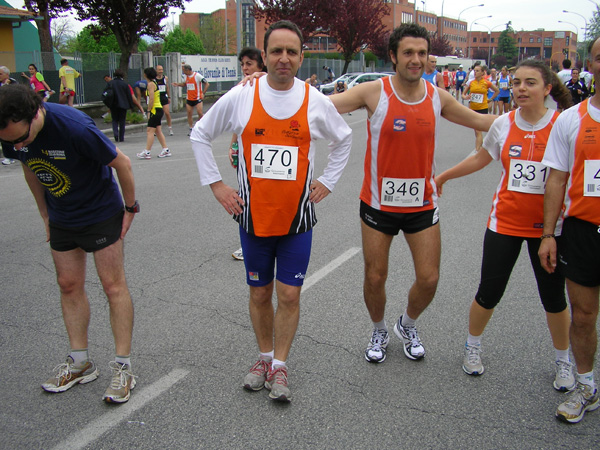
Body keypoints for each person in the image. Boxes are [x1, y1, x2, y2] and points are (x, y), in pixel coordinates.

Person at [191, 20, 352, 402]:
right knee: (260, 293)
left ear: (301, 57)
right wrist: (216, 185)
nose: (284, 58)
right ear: (264, 56)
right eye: (276, 51)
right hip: (254, 219)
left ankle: (280, 366)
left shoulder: (315, 101)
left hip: (297, 221)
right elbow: (200, 133)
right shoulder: (242, 95)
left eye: (291, 52)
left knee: (290, 295)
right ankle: (263, 357)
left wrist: (328, 181)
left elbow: (343, 139)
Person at [328, 23, 495, 364]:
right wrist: (267, 88)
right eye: (408, 53)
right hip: (377, 204)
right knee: (375, 276)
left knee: (429, 278)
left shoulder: (438, 97)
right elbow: (321, 105)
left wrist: (545, 118)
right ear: (393, 56)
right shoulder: (373, 92)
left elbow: (481, 122)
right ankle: (378, 329)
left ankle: (407, 323)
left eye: (422, 53)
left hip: (421, 203)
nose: (416, 59)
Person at [435, 60, 574, 391]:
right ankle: (472, 346)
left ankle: (563, 360)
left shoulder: (562, 125)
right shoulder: (503, 123)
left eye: (530, 83)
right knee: (489, 292)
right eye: (516, 83)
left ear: (547, 88)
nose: (521, 89)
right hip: (505, 224)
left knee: (554, 298)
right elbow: (482, 157)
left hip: (549, 230)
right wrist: (444, 176)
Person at [0, 84, 138, 403]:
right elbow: (29, 168)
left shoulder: (74, 128)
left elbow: (123, 164)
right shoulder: (11, 133)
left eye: (22, 138)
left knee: (113, 286)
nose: (18, 145)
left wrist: (130, 208)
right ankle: (80, 362)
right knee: (68, 285)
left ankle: (123, 368)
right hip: (62, 214)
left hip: (100, 211)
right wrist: (45, 214)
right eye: (11, 143)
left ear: (35, 114)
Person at [539, 36, 600, 424]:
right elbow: (557, 180)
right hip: (583, 231)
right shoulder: (571, 119)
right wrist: (548, 234)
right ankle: (587, 386)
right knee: (583, 314)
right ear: (590, 63)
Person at [229, 47, 266, 261]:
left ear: (261, 65)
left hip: (265, 153)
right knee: (247, 198)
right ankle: (248, 244)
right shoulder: (241, 88)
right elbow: (238, 121)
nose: (245, 68)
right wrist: (234, 145)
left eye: (249, 63)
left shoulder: (268, 84)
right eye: (242, 63)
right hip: (247, 154)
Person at [463, 65, 499, 152]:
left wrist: (490, 99)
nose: (475, 72)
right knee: (477, 131)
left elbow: (497, 91)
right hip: (473, 108)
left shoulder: (486, 83)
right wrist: (466, 97)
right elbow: (463, 95)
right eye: (474, 71)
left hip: (483, 108)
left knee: (479, 130)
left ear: (483, 72)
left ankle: (478, 149)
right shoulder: (471, 83)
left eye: (478, 71)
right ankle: (480, 146)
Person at [136, 67, 171, 159]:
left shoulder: (151, 84)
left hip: (155, 109)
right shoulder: (154, 82)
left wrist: (148, 110)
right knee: (158, 131)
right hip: (158, 108)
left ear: (145, 75)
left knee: (149, 131)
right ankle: (165, 149)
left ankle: (147, 151)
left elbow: (151, 98)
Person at [172, 64, 209, 136]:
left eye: (183, 70)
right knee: (189, 113)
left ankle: (199, 127)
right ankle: (191, 128)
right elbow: (185, 84)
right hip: (189, 98)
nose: (183, 72)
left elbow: (207, 84)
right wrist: (178, 84)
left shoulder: (197, 76)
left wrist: (203, 93)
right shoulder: (186, 77)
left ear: (187, 70)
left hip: (197, 98)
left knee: (200, 113)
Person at [107, 69, 134, 143]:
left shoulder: (111, 83)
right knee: (122, 121)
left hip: (113, 104)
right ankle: (121, 137)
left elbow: (107, 94)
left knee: (114, 120)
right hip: (123, 105)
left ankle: (115, 134)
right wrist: (131, 106)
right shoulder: (125, 84)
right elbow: (129, 95)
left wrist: (108, 104)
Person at [0, 66, 18, 165]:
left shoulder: (13, 83)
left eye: (0, 74)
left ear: (7, 74)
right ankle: (9, 156)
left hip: (12, 113)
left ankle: (13, 156)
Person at [155, 65, 173, 136]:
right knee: (157, 114)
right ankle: (156, 129)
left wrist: (169, 97)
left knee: (167, 113)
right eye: (159, 70)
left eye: (162, 69)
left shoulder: (165, 78)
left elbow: (167, 87)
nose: (161, 71)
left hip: (163, 97)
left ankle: (170, 128)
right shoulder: (154, 79)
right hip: (157, 97)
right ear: (156, 70)